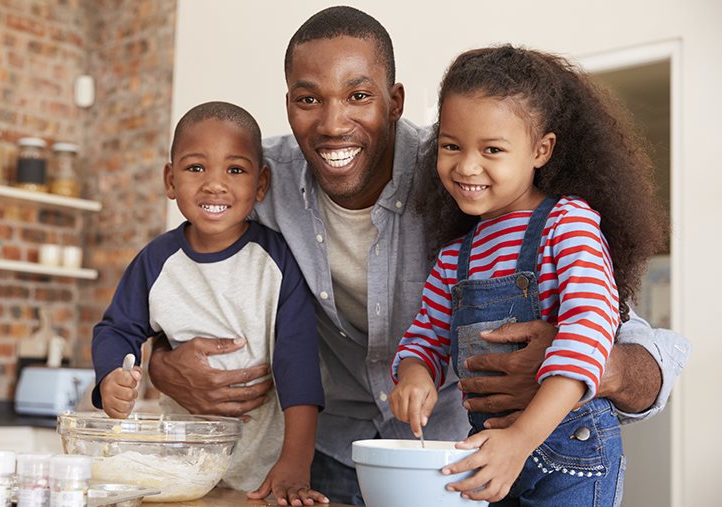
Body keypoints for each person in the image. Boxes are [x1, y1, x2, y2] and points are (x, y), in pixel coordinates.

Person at [147, 7, 692, 505]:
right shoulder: (256, 178)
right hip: (336, 449)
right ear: (288, 101)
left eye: (359, 95)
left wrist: (590, 370)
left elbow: (622, 333)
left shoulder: (469, 185)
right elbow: (178, 274)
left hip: (465, 453)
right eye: (309, 98)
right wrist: (158, 363)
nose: (333, 123)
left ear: (396, 100)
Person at [390, 45, 667, 505]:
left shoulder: (568, 223)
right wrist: (416, 374)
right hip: (491, 453)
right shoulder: (454, 257)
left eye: (492, 149)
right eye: (451, 146)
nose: (466, 166)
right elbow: (426, 337)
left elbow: (588, 333)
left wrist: (521, 439)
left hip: (570, 456)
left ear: (541, 150)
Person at [91, 101, 329, 506]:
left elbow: (299, 362)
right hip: (182, 470)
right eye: (195, 167)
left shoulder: (276, 262)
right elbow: (117, 329)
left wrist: (295, 460)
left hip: (265, 473)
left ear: (260, 184)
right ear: (170, 180)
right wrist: (110, 375)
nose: (214, 184)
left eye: (234, 170)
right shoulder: (156, 261)